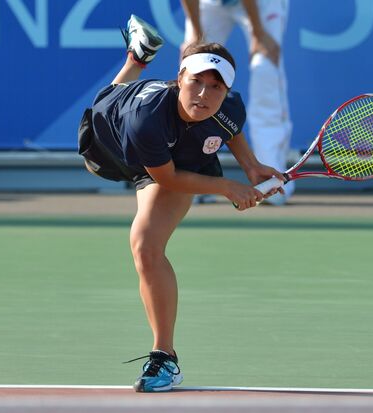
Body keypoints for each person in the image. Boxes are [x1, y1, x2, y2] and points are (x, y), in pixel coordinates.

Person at [78, 14, 284, 392]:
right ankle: (136, 60)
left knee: (145, 246)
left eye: (215, 87)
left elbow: (230, 129)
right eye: (196, 82)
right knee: (106, 102)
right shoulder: (145, 120)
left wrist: (251, 167)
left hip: (186, 155)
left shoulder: (227, 107)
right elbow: (167, 178)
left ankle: (164, 358)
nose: (204, 95)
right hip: (116, 142)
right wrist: (227, 187)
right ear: (179, 81)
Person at [181, 0, 294, 205]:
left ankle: (271, 179)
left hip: (262, 4)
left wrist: (258, 33)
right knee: (194, 68)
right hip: (210, 4)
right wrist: (196, 35)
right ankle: (194, 180)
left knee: (265, 69)